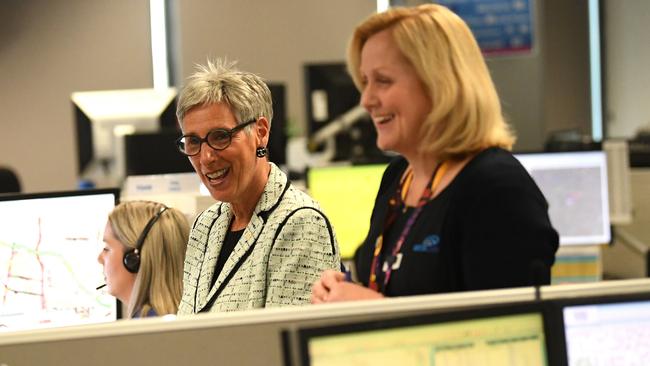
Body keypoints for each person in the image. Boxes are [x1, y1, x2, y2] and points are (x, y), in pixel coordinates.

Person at [312, 4, 559, 303]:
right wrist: (342, 287)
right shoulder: (399, 177)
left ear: (439, 84)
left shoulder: (497, 189)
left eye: (383, 81)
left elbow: (508, 334)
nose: (366, 100)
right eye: (365, 82)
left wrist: (372, 308)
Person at [174, 59, 341, 314]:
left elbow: (286, 342)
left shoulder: (300, 223)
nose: (206, 157)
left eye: (220, 136)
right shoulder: (205, 225)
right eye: (193, 142)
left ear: (260, 132)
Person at [98, 201, 189, 318]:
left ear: (133, 259)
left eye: (107, 248)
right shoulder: (185, 315)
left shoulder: (146, 328)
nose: (99, 259)